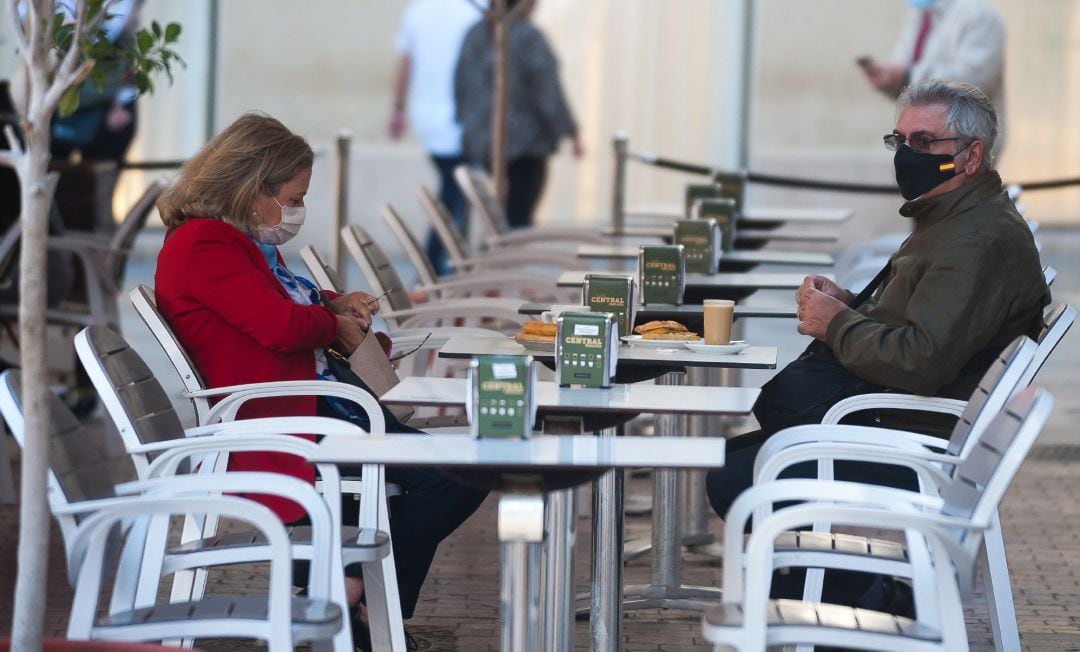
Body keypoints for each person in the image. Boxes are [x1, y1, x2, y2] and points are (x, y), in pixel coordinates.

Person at [705, 79, 1049, 610]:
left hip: (916, 434)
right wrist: (848, 305)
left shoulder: (976, 238)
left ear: (971, 155)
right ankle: (840, 596)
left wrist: (837, 325)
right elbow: (923, 321)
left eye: (924, 142)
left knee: (739, 478)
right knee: (734, 465)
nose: (906, 155)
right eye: (900, 140)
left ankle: (875, 601)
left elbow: (921, 359)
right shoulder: (952, 217)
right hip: (902, 421)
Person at [154, 113, 487, 650]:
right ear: (251, 187)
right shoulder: (206, 245)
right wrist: (333, 322)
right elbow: (279, 325)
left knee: (451, 473)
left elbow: (286, 303)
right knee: (455, 475)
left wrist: (334, 304)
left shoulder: (238, 240)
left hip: (312, 412)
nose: (296, 211)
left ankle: (344, 598)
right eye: (293, 196)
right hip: (280, 427)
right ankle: (357, 601)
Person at [454, 0, 581, 229]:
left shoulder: (474, 34)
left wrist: (469, 126)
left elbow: (459, 86)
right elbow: (548, 91)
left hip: (482, 143)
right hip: (525, 143)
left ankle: (503, 256)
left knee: (500, 215)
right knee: (518, 217)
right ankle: (510, 260)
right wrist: (570, 132)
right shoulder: (527, 36)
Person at [389, 0, 483, 275]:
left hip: (428, 117)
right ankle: (436, 266)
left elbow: (405, 64)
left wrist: (398, 110)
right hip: (465, 118)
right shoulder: (475, 9)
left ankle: (438, 265)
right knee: (455, 194)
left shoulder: (417, 10)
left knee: (453, 191)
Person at [859, 0, 1005, 153]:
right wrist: (889, 80)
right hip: (920, 140)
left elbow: (973, 81)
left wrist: (908, 76)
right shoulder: (920, 13)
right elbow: (904, 68)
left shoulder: (978, 13)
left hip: (963, 143)